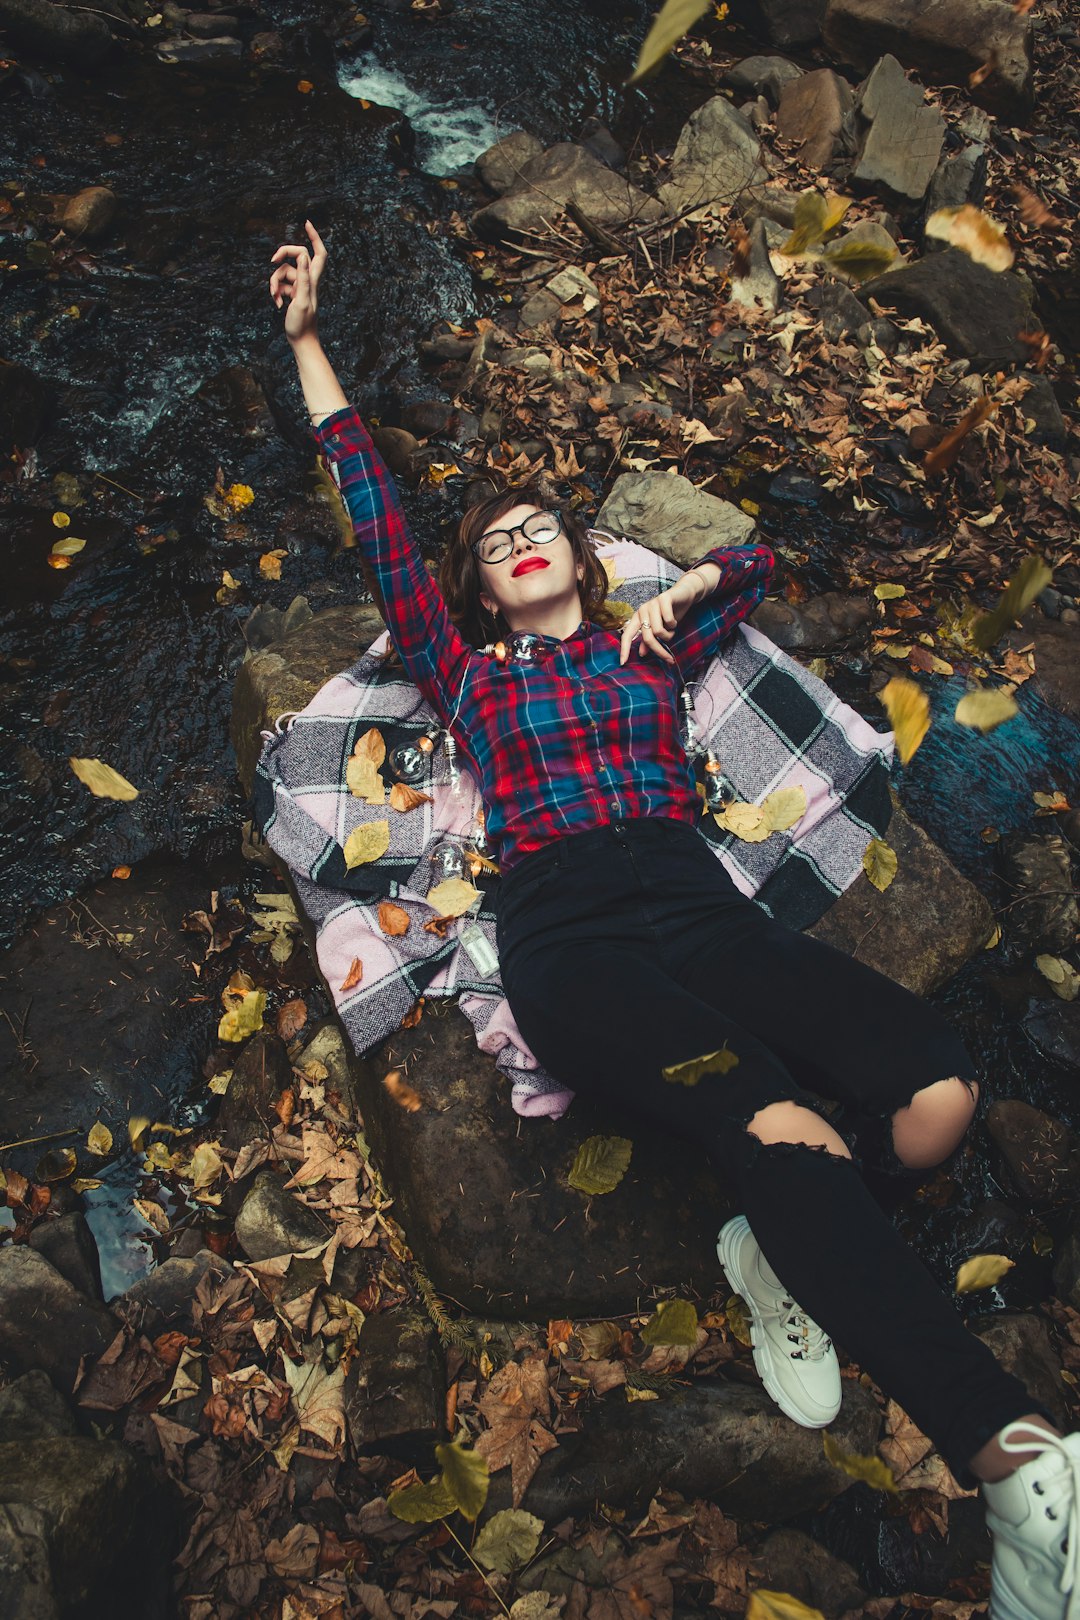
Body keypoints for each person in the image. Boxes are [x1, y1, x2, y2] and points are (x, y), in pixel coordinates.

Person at [270, 221, 1080, 1620]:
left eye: (541, 530)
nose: (519, 544)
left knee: (940, 1099)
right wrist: (305, 344)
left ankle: (782, 1237)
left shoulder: (651, 641)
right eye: (498, 545)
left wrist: (698, 586)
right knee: (783, 1125)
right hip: (574, 944)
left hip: (699, 912)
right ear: (476, 595)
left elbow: (769, 561)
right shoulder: (466, 678)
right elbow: (381, 516)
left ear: (585, 562)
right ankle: (1008, 1466)